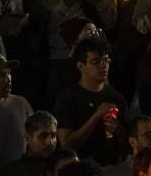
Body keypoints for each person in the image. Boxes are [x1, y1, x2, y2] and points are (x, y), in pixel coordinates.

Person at [54, 36, 127, 166]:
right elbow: (67, 145)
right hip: (80, 169)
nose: (103, 65)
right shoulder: (68, 98)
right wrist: (95, 117)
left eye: (106, 60)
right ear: (81, 66)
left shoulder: (116, 98)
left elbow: (128, 140)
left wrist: (119, 130)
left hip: (112, 167)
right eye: (96, 62)